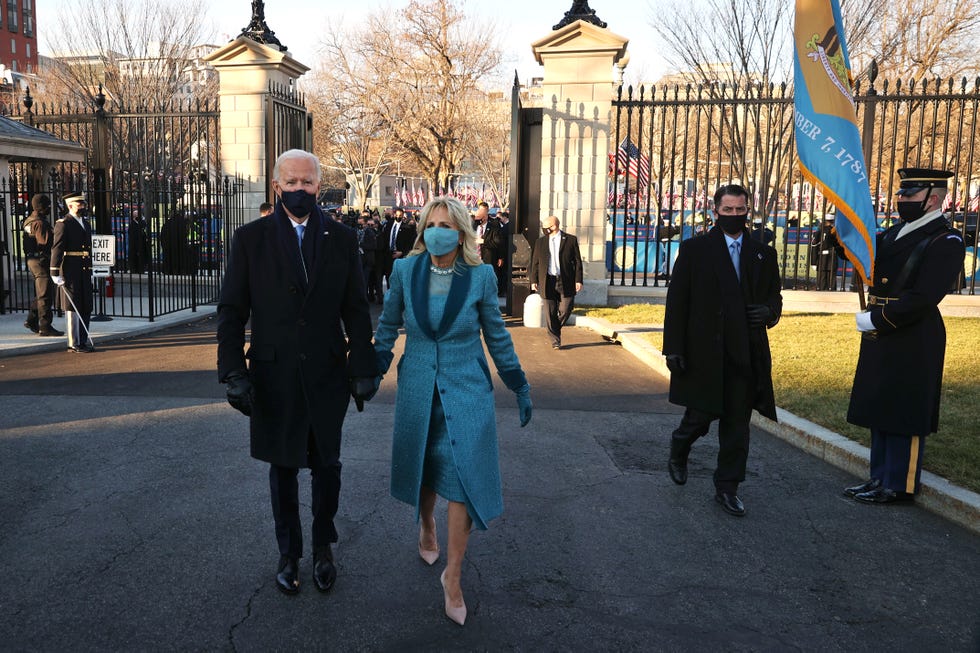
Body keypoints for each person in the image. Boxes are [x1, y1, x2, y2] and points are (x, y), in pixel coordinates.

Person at [216, 149, 379, 596]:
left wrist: (363, 365)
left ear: (319, 186)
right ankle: (289, 554)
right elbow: (232, 311)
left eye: (308, 183)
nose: (300, 190)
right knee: (283, 469)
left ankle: (324, 548)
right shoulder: (250, 239)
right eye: (292, 182)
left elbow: (355, 308)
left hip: (328, 373)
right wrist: (232, 371)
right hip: (273, 375)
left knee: (328, 466)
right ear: (276, 186)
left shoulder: (342, 239)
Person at [372, 196, 532, 626]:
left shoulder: (479, 277)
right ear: (423, 229)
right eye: (431, 223)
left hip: (467, 389)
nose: (438, 229)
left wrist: (517, 382)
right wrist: (373, 370)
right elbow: (387, 327)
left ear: (461, 232)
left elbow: (496, 336)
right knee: (425, 469)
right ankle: (426, 523)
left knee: (462, 478)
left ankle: (454, 577)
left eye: (446, 223)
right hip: (420, 385)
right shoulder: (405, 271)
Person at [845, 168, 966, 504]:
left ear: (934, 199)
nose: (901, 201)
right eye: (901, 195)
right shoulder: (897, 232)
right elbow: (865, 256)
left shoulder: (946, 240)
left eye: (910, 196)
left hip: (912, 332)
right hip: (882, 327)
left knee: (905, 408)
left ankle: (900, 483)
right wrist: (840, 235)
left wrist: (878, 320)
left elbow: (924, 297)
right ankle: (879, 477)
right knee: (881, 404)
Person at [662, 184, 782, 517]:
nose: (733, 216)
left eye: (739, 210)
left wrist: (770, 313)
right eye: (727, 210)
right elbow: (678, 302)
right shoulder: (694, 249)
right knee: (699, 418)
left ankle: (727, 487)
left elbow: (775, 296)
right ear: (715, 210)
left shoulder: (763, 253)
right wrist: (673, 348)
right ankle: (679, 447)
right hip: (704, 353)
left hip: (746, 354)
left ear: (748, 210)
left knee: (737, 427)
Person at [528, 215, 583, 349]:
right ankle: (555, 340)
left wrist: (578, 280)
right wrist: (533, 280)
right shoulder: (540, 242)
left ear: (553, 226)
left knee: (566, 308)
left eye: (546, 227)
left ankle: (554, 327)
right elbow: (534, 262)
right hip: (547, 280)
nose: (544, 229)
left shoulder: (570, 240)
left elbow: (577, 262)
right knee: (550, 312)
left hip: (565, 280)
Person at [50, 192, 95, 353]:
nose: (82, 207)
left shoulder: (86, 223)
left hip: (84, 269)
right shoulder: (64, 223)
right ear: (70, 205)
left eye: (83, 204)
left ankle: (83, 340)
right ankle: (73, 342)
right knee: (73, 305)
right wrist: (55, 272)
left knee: (86, 304)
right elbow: (57, 248)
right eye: (79, 204)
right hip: (70, 269)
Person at [22, 194, 63, 337]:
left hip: (32, 260)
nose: (50, 208)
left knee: (41, 292)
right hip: (40, 260)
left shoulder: (29, 220)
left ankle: (32, 320)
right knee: (45, 294)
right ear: (42, 207)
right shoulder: (39, 223)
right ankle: (45, 326)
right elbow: (45, 243)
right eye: (48, 206)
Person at [810, 216, 842, 290]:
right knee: (832, 281)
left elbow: (814, 247)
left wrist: (813, 262)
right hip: (832, 257)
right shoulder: (835, 232)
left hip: (822, 258)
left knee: (822, 281)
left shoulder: (818, 232)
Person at [128, 207, 152, 274]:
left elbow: (144, 226)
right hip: (135, 247)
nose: (141, 217)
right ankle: (136, 269)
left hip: (142, 246)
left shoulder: (140, 223)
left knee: (142, 259)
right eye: (139, 215)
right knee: (136, 260)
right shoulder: (133, 225)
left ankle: (141, 269)